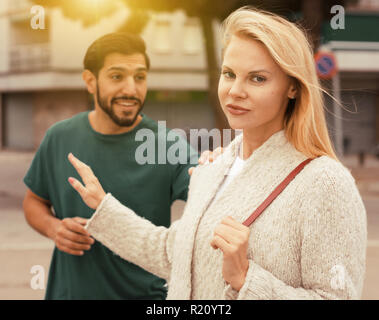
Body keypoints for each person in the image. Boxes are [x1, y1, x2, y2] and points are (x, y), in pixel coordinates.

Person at [68, 7, 367, 300]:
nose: (235, 90)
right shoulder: (212, 168)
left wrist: (247, 280)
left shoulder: (325, 182)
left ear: (293, 87)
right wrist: (104, 207)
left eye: (257, 78)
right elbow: (176, 256)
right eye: (229, 73)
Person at [22, 32, 209, 299]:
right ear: (90, 81)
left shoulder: (166, 145)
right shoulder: (59, 137)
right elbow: (33, 202)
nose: (131, 89)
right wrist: (54, 228)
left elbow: (215, 194)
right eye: (116, 76)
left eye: (140, 77)